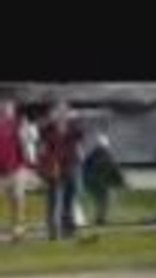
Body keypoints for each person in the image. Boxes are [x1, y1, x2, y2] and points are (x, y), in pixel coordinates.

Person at [38, 103, 84, 242]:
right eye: (59, 112)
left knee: (69, 200)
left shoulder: (73, 128)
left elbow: (81, 133)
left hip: (70, 166)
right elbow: (42, 143)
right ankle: (52, 232)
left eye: (65, 112)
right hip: (54, 167)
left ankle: (68, 230)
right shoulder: (47, 130)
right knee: (53, 200)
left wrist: (75, 117)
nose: (62, 115)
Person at [81, 133, 126, 226]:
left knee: (100, 200)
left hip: (91, 182)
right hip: (98, 182)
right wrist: (121, 182)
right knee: (104, 200)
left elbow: (84, 167)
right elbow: (113, 168)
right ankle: (100, 219)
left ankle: (98, 218)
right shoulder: (106, 155)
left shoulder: (92, 155)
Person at [0, 97, 28, 242]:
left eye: (9, 108)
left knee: (18, 199)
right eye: (4, 108)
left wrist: (26, 164)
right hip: (2, 171)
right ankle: (14, 229)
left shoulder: (17, 125)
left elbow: (23, 145)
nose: (6, 110)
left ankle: (18, 230)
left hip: (17, 168)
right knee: (11, 201)